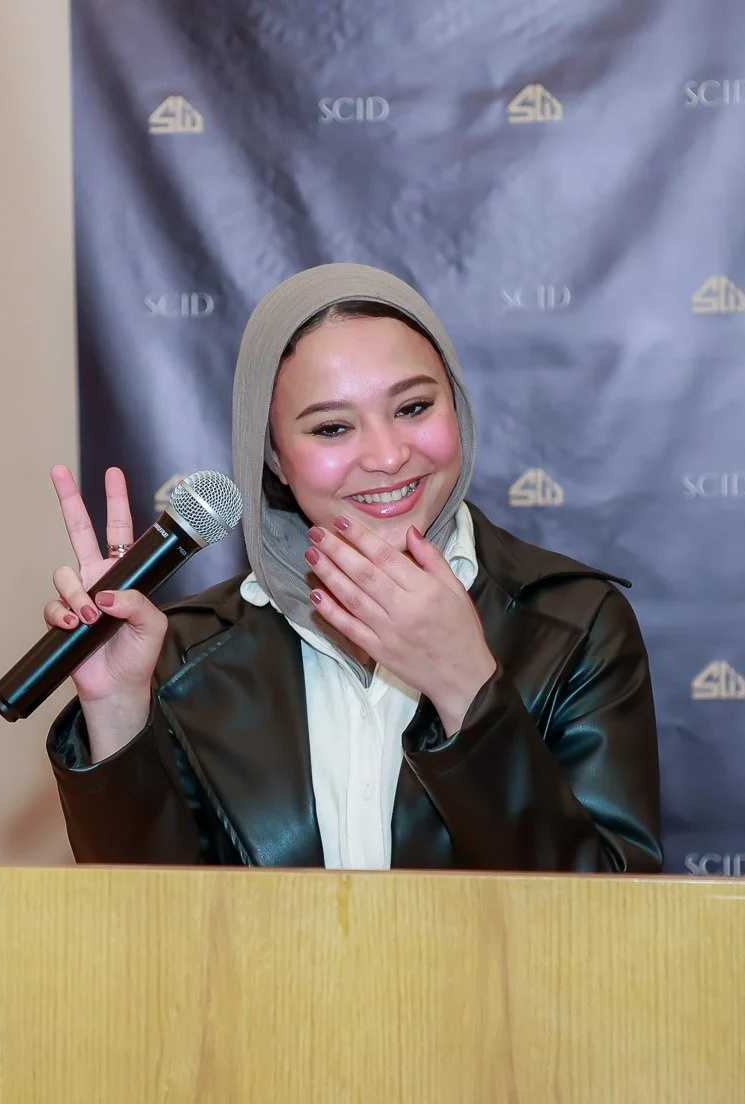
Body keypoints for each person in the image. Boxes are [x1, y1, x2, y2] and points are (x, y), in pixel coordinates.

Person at [40, 262, 661, 873]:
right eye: (333, 427)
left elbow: (610, 925)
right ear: (275, 459)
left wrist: (467, 691)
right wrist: (119, 707)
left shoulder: (574, 623)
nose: (389, 456)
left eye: (413, 407)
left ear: (459, 410)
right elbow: (154, 935)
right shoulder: (187, 654)